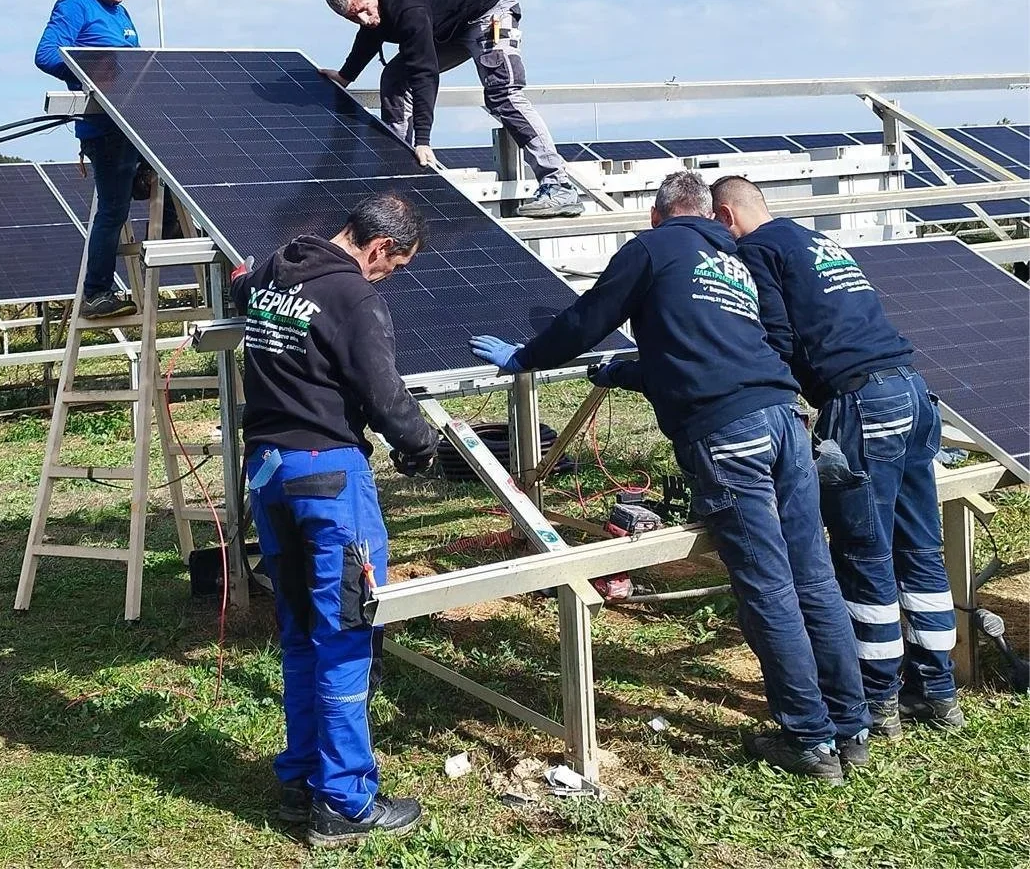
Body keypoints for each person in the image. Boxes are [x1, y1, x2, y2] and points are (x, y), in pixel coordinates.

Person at [467, 171, 870, 783]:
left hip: (729, 433)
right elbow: (738, 344)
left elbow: (587, 318)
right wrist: (629, 372)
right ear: (710, 214)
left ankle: (811, 742)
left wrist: (527, 357)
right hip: (787, 419)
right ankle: (852, 724)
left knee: (768, 586)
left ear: (657, 216)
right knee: (813, 575)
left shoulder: (651, 249)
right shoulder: (735, 256)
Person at [711, 175, 963, 738]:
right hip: (914, 393)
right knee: (919, 546)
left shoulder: (756, 251)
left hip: (862, 402)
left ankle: (880, 700)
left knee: (863, 552)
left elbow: (774, 335)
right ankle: (939, 692)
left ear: (727, 216)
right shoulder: (814, 241)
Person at [230, 192, 440, 846]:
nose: (387, 278)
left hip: (267, 474)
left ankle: (300, 779)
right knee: (347, 632)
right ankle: (345, 803)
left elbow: (241, 292)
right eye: (394, 267)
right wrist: (422, 444)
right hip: (327, 478)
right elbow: (382, 392)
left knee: (298, 631)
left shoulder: (270, 271)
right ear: (379, 248)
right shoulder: (354, 297)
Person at [319, 0, 584, 219]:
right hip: (447, 25)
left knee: (502, 94)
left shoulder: (408, 5)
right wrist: (346, 76)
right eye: (354, 17)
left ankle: (558, 185)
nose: (365, 19)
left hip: (488, 12)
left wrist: (423, 140)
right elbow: (370, 34)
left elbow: (425, 72)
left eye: (365, 9)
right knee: (395, 79)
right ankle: (396, 179)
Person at [35, 0, 177, 318]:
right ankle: (96, 293)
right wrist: (95, 72)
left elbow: (134, 64)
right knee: (113, 210)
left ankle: (174, 230)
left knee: (181, 166)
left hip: (135, 123)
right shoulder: (74, 6)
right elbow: (46, 54)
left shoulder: (122, 14)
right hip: (105, 128)